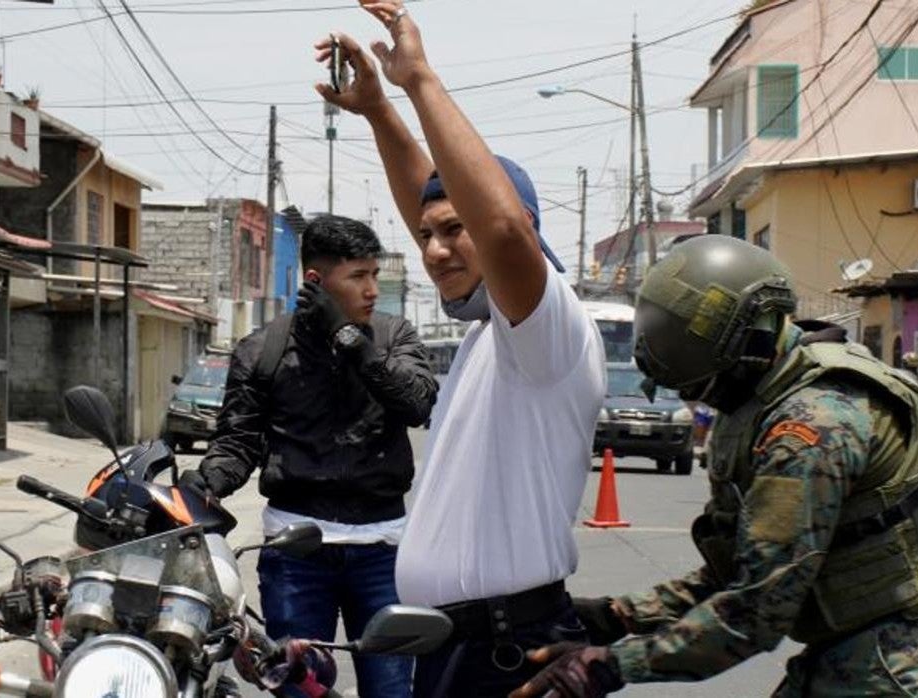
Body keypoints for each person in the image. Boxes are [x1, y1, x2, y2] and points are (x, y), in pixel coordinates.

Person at [513, 236, 918, 698]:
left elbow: (758, 607)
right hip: (849, 658)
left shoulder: (810, 428)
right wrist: (618, 616)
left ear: (739, 346)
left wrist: (614, 665)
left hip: (899, 674)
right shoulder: (767, 401)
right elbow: (733, 573)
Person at [316, 4, 606, 695]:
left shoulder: (547, 324)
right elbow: (437, 195)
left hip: (507, 646)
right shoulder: (489, 334)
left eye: (454, 232)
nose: (436, 252)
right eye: (424, 237)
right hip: (460, 644)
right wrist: (380, 113)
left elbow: (501, 228)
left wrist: (419, 82)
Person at [184, 214, 436, 697]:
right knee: (301, 690)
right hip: (295, 554)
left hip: (383, 552)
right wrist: (205, 483)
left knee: (391, 691)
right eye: (358, 276)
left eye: (374, 276)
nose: (371, 290)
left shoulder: (393, 336)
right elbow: (239, 442)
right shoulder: (263, 349)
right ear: (316, 282)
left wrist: (348, 338)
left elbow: (417, 403)